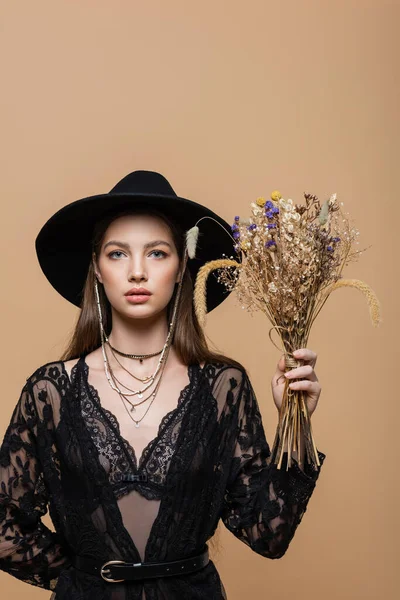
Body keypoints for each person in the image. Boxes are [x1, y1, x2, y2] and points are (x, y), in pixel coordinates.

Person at [0, 170, 326, 599]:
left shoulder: (222, 387)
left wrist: (294, 425)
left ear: (181, 268)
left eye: (156, 253)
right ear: (97, 269)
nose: (137, 272)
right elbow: (5, 526)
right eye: (118, 254)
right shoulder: (51, 392)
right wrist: (85, 576)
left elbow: (267, 535)